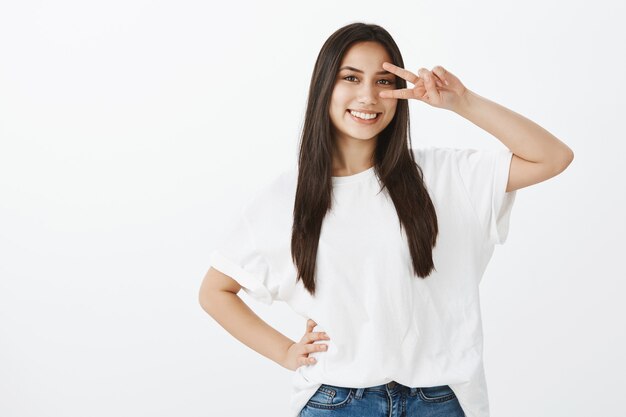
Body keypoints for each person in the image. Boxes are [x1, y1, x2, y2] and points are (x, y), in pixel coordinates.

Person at [198, 22, 574, 417]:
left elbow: (553, 157)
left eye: (383, 81)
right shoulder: (286, 198)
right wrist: (285, 352)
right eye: (351, 77)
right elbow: (215, 292)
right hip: (337, 400)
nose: (368, 96)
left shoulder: (447, 175)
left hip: (440, 400)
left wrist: (462, 102)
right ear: (324, 86)